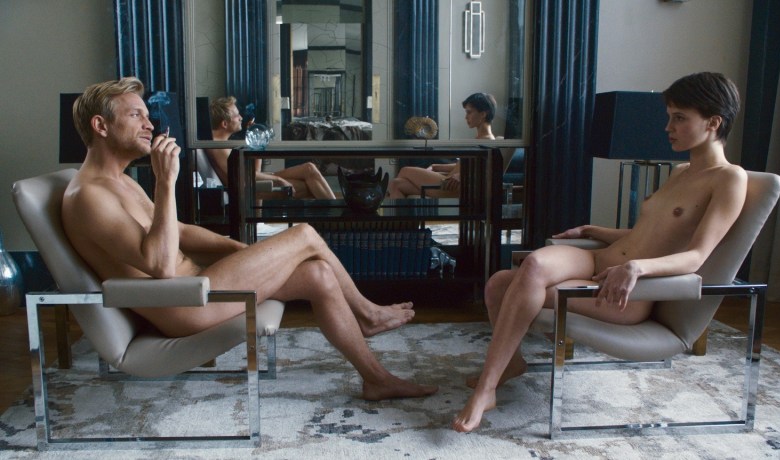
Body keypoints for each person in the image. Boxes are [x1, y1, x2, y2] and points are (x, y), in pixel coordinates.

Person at [61, 77, 437, 401]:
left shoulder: (119, 183)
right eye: (136, 115)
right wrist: (165, 182)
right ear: (101, 125)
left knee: (318, 274)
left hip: (198, 286)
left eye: (146, 115)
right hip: (183, 304)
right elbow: (159, 265)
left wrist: (243, 252)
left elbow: (180, 231)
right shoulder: (89, 196)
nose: (149, 124)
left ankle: (376, 380)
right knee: (305, 234)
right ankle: (367, 315)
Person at [452, 72, 748, 432]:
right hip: (601, 260)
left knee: (512, 286)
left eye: (679, 118)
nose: (668, 127)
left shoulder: (730, 179)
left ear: (713, 122)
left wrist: (637, 268)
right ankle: (510, 363)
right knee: (506, 277)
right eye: (670, 116)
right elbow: (648, 234)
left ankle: (486, 389)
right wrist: (594, 231)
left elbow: (697, 255)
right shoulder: (681, 171)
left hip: (629, 293)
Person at [206, 96, 336, 199]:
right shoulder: (217, 147)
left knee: (309, 168)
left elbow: (254, 172)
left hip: (254, 179)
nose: (241, 118)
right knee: (310, 186)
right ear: (224, 124)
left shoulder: (222, 143)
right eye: (237, 115)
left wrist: (256, 140)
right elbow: (243, 177)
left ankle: (336, 217)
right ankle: (337, 219)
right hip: (250, 188)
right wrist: (278, 180)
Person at [387, 93, 497, 199]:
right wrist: (436, 166)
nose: (466, 117)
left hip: (454, 186)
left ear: (483, 114)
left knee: (405, 170)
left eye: (469, 112)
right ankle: (404, 213)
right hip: (451, 181)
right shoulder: (479, 139)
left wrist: (461, 176)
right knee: (396, 184)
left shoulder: (488, 141)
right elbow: (464, 165)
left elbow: (485, 172)